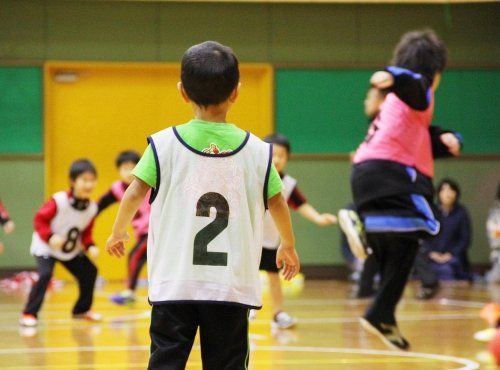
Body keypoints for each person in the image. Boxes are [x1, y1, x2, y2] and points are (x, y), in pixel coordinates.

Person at [105, 41, 300, 370]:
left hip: (174, 282)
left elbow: (135, 191)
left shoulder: (163, 145)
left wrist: (117, 231)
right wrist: (288, 244)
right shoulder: (257, 151)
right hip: (231, 286)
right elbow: (278, 201)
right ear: (236, 92)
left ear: (182, 92)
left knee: (166, 359)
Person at [338, 29, 461, 350]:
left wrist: (449, 139)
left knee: (403, 248)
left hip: (368, 173)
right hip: (390, 172)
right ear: (434, 72)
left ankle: (382, 313)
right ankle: (357, 217)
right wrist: (391, 75)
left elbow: (421, 136)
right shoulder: (417, 88)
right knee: (428, 221)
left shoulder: (400, 106)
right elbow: (415, 87)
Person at [255, 133, 336, 329]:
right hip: (250, 239)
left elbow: (300, 204)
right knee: (247, 276)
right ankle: (247, 310)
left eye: (281, 156)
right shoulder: (255, 178)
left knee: (274, 278)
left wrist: (317, 217)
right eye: (273, 155)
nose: (276, 159)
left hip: (272, 241)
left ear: (288, 158)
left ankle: (278, 313)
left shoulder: (288, 184)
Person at [19, 159, 102, 327]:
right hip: (45, 247)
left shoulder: (92, 208)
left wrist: (90, 245)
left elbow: (85, 231)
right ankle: (29, 313)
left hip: (67, 250)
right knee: (45, 274)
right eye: (84, 180)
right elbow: (39, 219)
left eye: (92, 180)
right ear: (72, 181)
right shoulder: (59, 200)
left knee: (90, 271)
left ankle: (81, 310)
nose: (89, 184)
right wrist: (49, 237)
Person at [97, 150, 150, 304]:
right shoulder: (118, 189)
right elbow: (99, 205)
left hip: (155, 231)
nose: (129, 172)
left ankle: (130, 292)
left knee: (135, 256)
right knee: (138, 258)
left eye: (133, 168)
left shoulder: (148, 183)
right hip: (141, 232)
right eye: (125, 168)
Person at [420, 178, 471, 281]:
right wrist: (431, 253)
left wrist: (450, 254)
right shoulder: (431, 211)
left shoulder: (461, 213)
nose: (447, 194)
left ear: (456, 193)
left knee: (448, 270)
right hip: (431, 255)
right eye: (444, 190)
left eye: (451, 190)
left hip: (452, 257)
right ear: (438, 193)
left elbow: (465, 239)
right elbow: (423, 235)